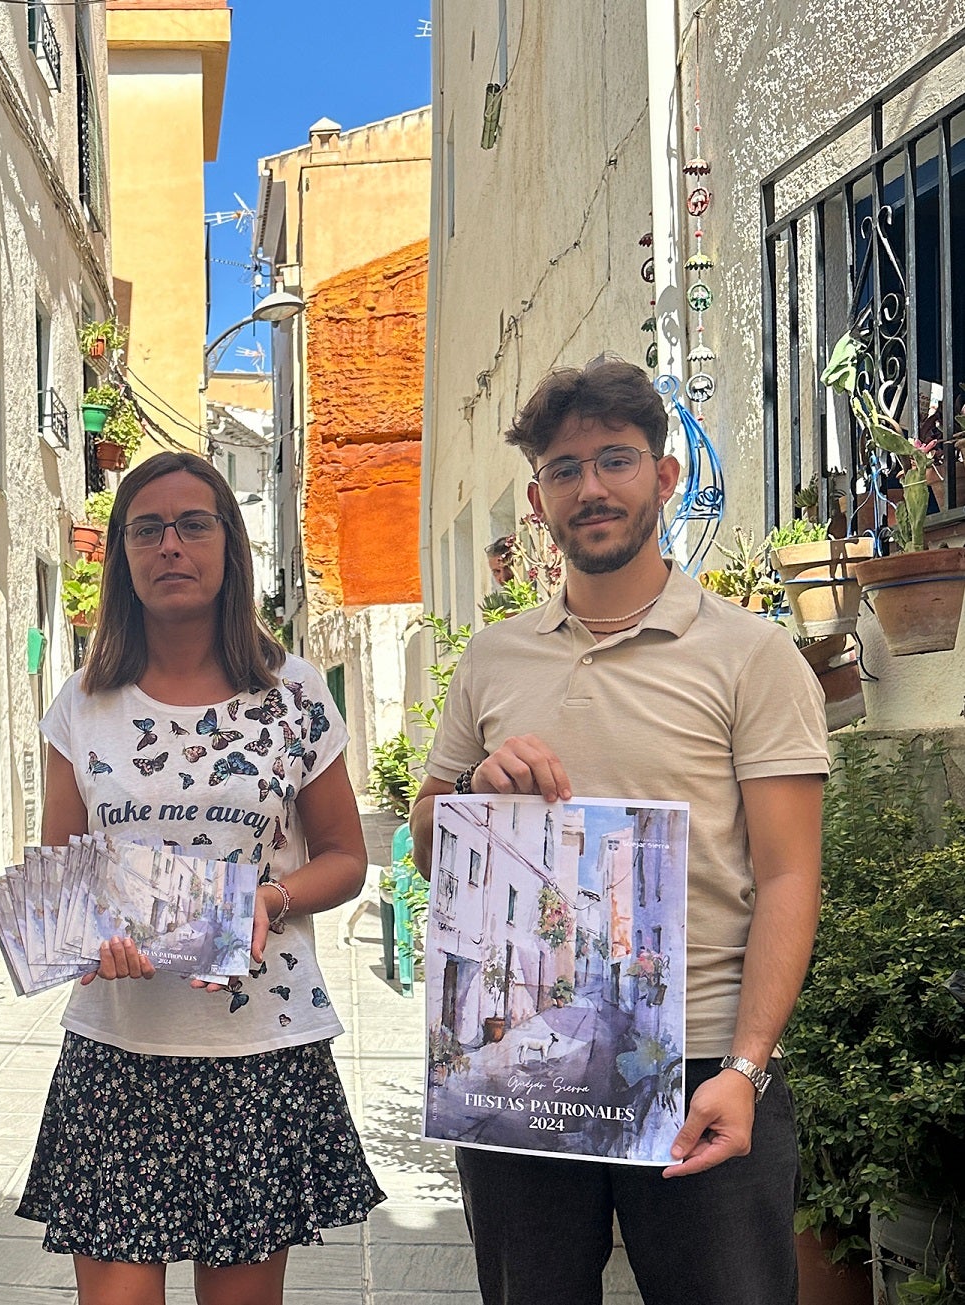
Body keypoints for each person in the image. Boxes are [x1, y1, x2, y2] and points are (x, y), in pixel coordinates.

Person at [410, 360, 827, 1305]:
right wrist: (477, 790)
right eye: (565, 469)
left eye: (615, 460)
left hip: (697, 1068)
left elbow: (790, 877)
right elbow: (430, 840)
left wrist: (748, 1070)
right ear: (538, 498)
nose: (591, 487)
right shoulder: (492, 657)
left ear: (664, 476)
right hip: (521, 1061)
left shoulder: (751, 654)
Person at [17, 452, 385, 1305]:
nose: (170, 544)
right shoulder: (82, 701)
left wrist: (272, 896)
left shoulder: (291, 692)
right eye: (147, 528)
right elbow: (63, 878)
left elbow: (345, 855)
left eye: (193, 524)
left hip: (253, 1053)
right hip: (118, 1054)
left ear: (229, 546)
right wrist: (80, 941)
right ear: (121, 555)